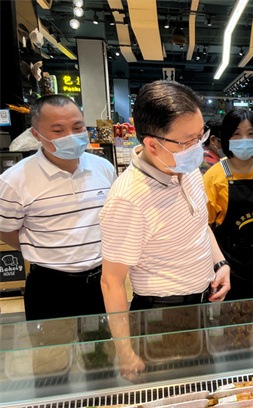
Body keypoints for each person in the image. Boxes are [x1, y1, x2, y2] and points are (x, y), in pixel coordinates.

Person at [99, 80, 230, 379]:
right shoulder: (128, 199)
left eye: (200, 136)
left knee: (205, 387)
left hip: (202, 306)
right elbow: (112, 281)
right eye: (187, 142)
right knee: (174, 391)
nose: (197, 148)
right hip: (161, 316)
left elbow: (200, 224)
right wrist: (124, 351)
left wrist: (219, 262)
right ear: (152, 144)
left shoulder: (187, 169)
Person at [0, 95, 116, 320]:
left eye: (77, 127)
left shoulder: (104, 168)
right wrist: (45, 249)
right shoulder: (13, 180)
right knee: (52, 343)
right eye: (58, 130)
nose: (70, 136)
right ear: (36, 135)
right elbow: (5, 230)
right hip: (49, 286)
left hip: (102, 280)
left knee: (104, 342)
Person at [203, 109, 253, 300]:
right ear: (226, 138)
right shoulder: (214, 177)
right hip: (232, 265)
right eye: (237, 134)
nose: (244, 139)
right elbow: (204, 226)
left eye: (250, 133)